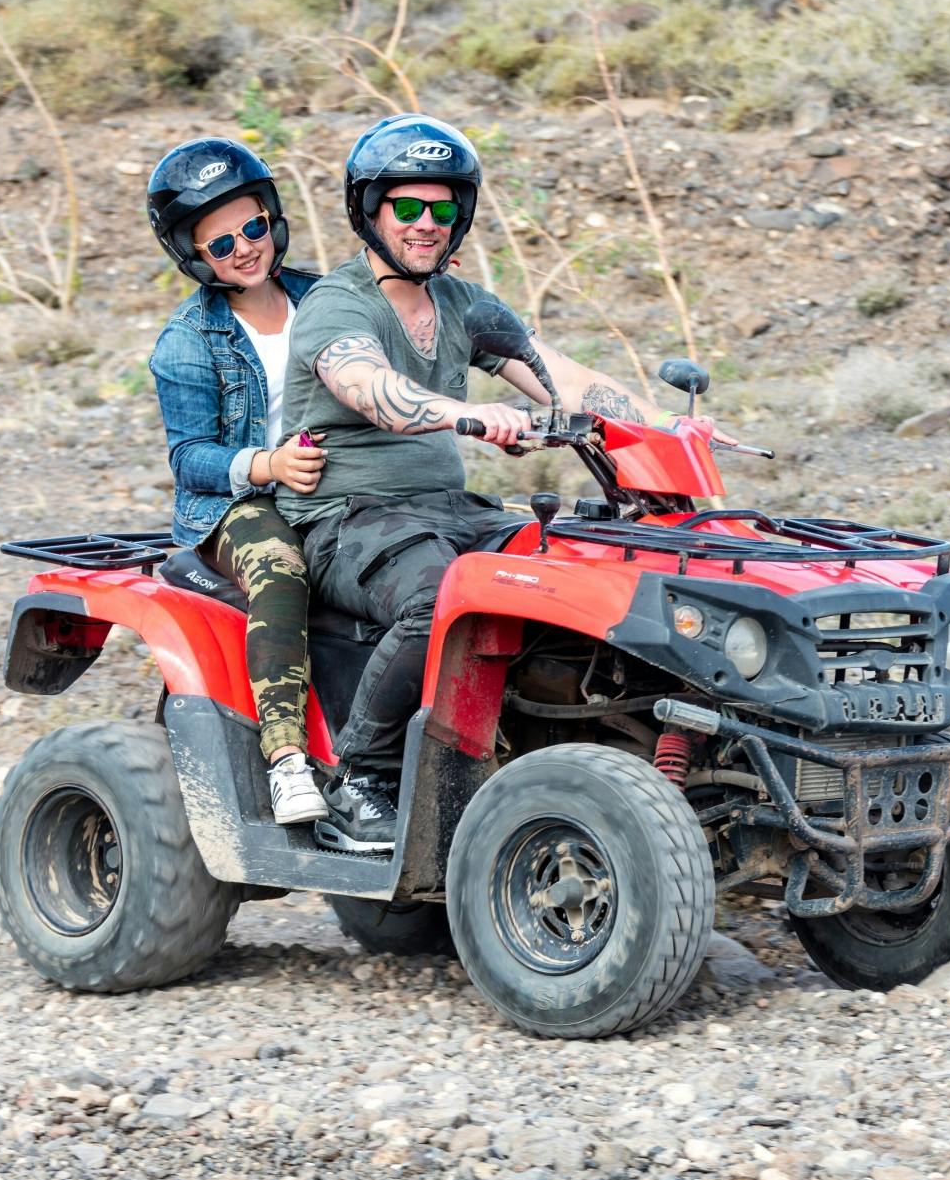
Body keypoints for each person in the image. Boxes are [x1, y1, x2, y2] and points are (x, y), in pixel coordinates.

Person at [278, 113, 701, 853]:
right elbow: (369, 386)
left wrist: (668, 427)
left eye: (441, 209)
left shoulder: (463, 305)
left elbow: (561, 376)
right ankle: (361, 777)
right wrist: (470, 416)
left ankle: (560, 745)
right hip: (346, 517)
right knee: (436, 594)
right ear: (371, 212)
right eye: (407, 207)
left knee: (576, 560)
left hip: (446, 510)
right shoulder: (336, 304)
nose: (425, 224)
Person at [147, 137, 330, 828]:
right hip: (236, 503)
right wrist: (266, 464)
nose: (246, 248)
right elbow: (190, 456)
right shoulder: (188, 340)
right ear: (195, 256)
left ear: (273, 218)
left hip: (331, 481)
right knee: (279, 570)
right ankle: (286, 760)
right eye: (222, 244)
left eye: (253, 227)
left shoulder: (322, 296)